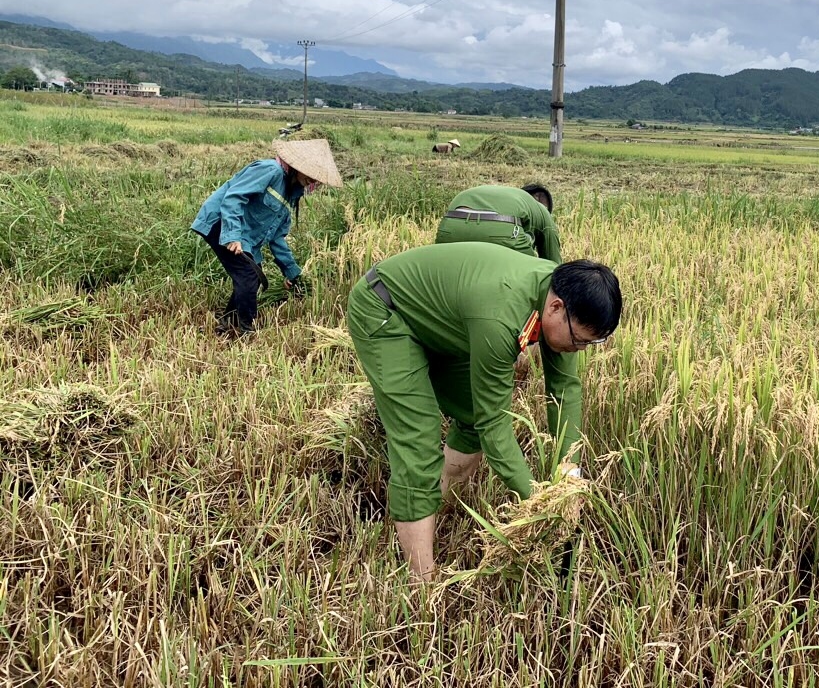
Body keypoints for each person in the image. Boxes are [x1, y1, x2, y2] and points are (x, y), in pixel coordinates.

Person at [345, 242, 622, 581]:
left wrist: (569, 472)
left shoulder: (555, 301)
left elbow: (564, 390)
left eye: (588, 344)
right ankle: (422, 584)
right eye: (578, 341)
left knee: (471, 418)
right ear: (556, 307)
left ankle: (431, 508)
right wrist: (540, 503)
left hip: (445, 324)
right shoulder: (502, 316)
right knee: (418, 439)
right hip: (388, 312)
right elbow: (496, 425)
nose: (577, 349)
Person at [191, 137, 343, 337]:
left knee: (253, 274)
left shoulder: (292, 194)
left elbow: (277, 239)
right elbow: (233, 198)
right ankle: (245, 330)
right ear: (298, 166)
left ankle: (228, 322)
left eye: (317, 179)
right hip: (221, 223)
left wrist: (291, 272)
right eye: (311, 174)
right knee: (248, 275)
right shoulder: (269, 170)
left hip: (246, 236)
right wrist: (232, 236)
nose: (313, 181)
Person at [434, 183, 561, 262]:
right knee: (528, 274)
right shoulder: (543, 212)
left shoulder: (513, 197)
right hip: (502, 230)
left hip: (450, 226)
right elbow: (553, 266)